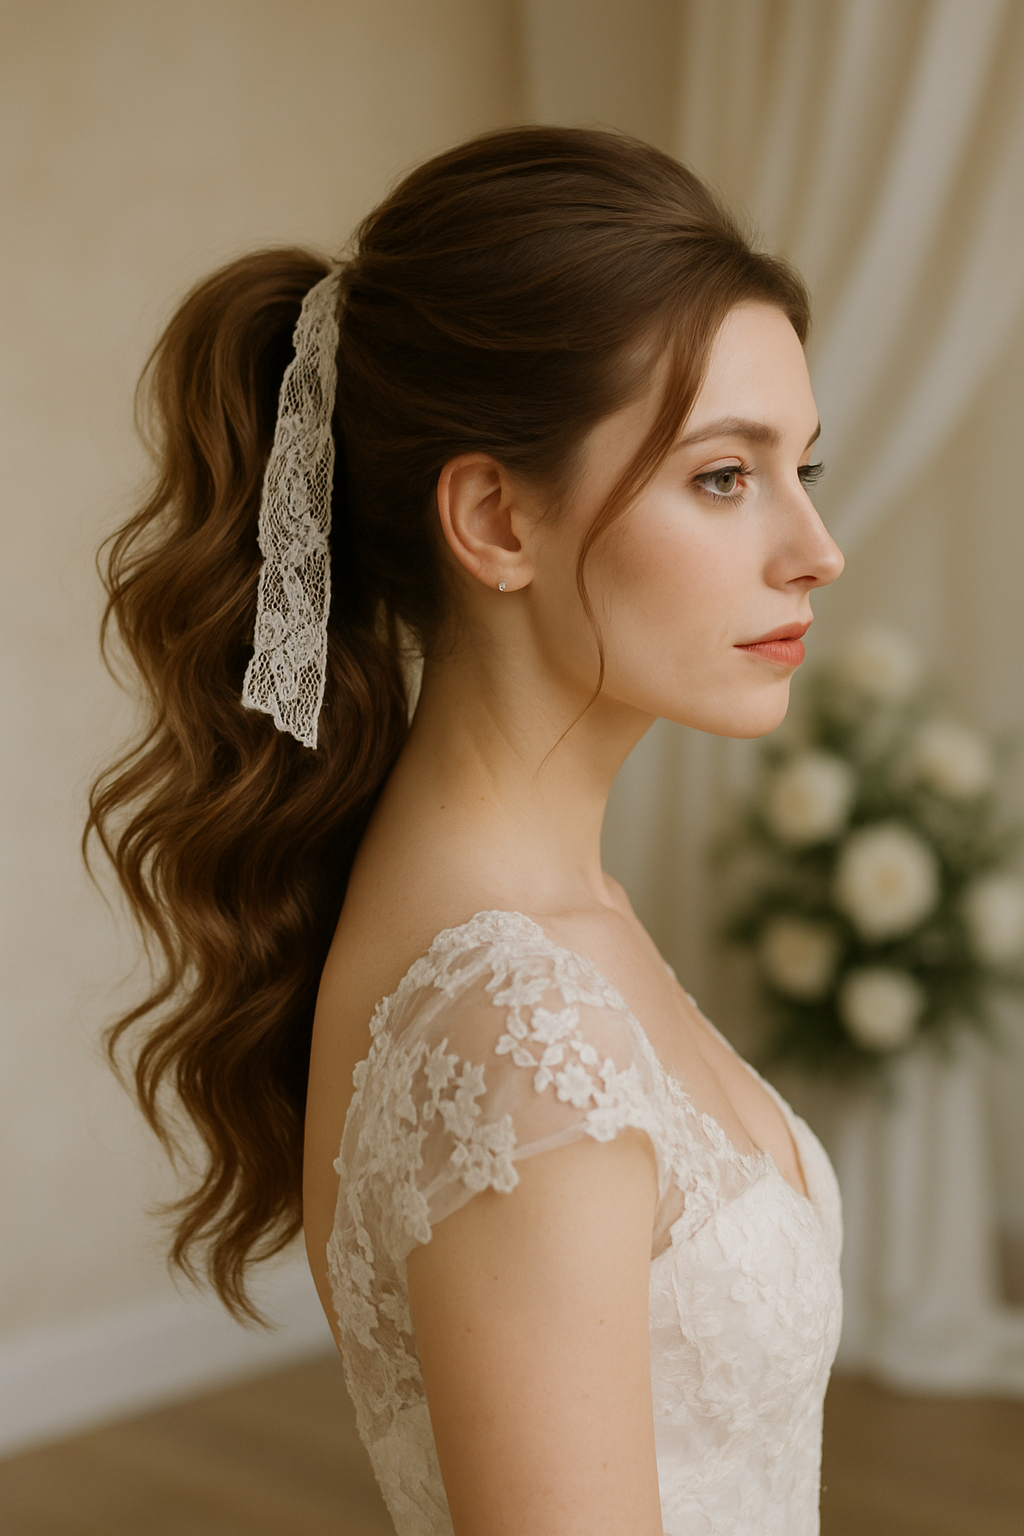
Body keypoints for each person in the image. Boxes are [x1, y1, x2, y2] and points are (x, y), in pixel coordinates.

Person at [89, 126, 845, 1535]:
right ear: (495, 518)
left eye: (805, 465)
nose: (816, 547)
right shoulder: (514, 1037)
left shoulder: (545, 920)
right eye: (726, 477)